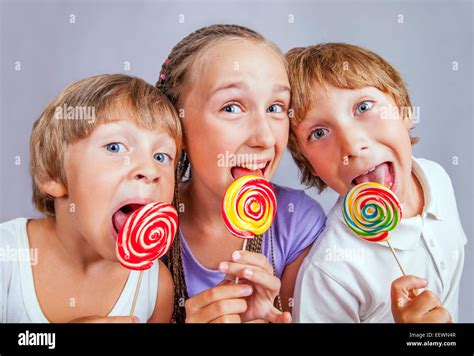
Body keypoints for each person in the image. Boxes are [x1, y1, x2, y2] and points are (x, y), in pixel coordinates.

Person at [157, 24, 326, 323]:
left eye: (275, 107)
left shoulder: (296, 223)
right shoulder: (139, 221)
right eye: (232, 108)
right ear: (176, 125)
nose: (265, 137)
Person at [287, 43, 466, 323]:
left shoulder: (436, 179)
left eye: (363, 107)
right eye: (319, 132)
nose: (353, 144)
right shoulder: (331, 272)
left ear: (405, 110)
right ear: (311, 167)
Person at [0, 74, 181, 323]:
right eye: (115, 147)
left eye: (162, 156)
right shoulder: (6, 255)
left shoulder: (154, 286)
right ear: (53, 174)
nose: (150, 171)